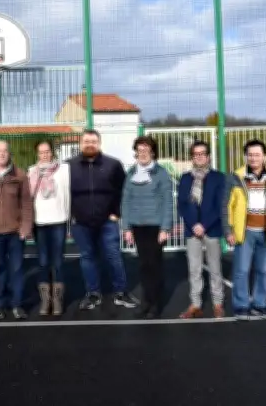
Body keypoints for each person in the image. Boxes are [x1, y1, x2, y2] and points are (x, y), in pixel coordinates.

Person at [68, 129, 138, 311]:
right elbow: (63, 193)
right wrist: (71, 214)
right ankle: (93, 294)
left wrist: (116, 213)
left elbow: (123, 190)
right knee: (87, 258)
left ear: (99, 143)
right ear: (80, 144)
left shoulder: (113, 164)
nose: (89, 144)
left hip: (108, 221)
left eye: (93, 141)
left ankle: (121, 292)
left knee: (114, 256)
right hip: (81, 223)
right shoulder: (69, 166)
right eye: (86, 141)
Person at [223, 139, 266, 320]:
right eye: (250, 155)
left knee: (263, 271)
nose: (253, 158)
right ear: (246, 156)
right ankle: (241, 305)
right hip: (244, 233)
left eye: (257, 155)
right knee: (242, 270)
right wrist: (228, 231)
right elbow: (226, 206)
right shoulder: (235, 177)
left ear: (265, 157)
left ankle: (260, 304)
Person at [0, 140, 33, 321]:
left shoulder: (20, 175)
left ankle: (17, 305)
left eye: (5, 151)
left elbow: (26, 203)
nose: (2, 154)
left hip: (15, 233)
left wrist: (25, 227)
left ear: (9, 154)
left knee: (17, 270)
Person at [121, 135, 174, 319]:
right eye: (140, 150)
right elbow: (125, 202)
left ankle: (155, 304)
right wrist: (126, 228)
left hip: (155, 227)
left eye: (146, 150)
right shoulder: (130, 173)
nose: (143, 153)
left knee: (154, 266)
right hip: (138, 226)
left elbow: (168, 202)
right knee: (144, 266)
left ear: (153, 152)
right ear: (136, 152)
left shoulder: (161, 173)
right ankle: (146, 301)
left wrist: (165, 228)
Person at [176, 140, 227, 319]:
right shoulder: (185, 178)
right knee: (194, 269)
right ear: (192, 157)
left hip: (211, 229)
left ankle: (218, 303)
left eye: (202, 154)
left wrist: (204, 225)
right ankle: (196, 304)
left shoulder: (218, 178)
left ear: (208, 157)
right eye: (195, 154)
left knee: (215, 268)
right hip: (192, 230)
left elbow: (220, 205)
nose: (199, 157)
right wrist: (194, 225)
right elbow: (182, 204)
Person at [27, 140, 70, 317]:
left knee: (58, 261)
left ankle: (58, 299)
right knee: (43, 262)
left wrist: (68, 215)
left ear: (52, 152)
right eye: (41, 152)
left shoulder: (64, 170)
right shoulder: (32, 171)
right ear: (37, 154)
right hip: (40, 222)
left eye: (47, 152)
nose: (44, 155)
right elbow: (28, 196)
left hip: (58, 220)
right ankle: (46, 300)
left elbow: (68, 192)